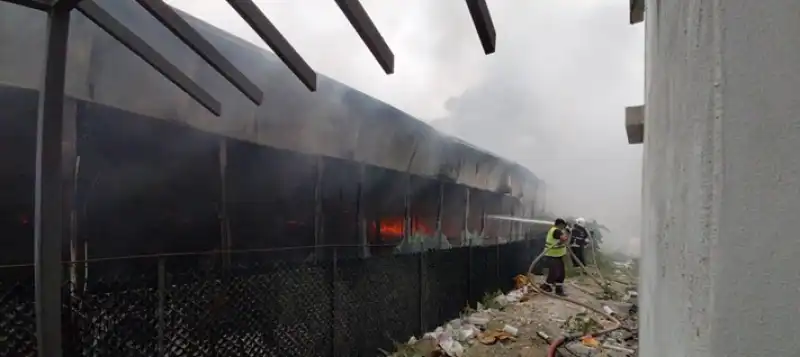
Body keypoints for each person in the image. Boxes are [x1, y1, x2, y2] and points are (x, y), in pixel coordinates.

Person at [540, 218, 569, 296]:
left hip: (557, 256)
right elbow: (563, 238)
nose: (564, 227)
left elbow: (560, 241)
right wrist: (567, 234)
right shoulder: (556, 231)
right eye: (563, 225)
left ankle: (558, 289)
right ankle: (546, 286)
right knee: (555, 272)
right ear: (560, 225)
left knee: (561, 273)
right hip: (552, 255)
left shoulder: (555, 230)